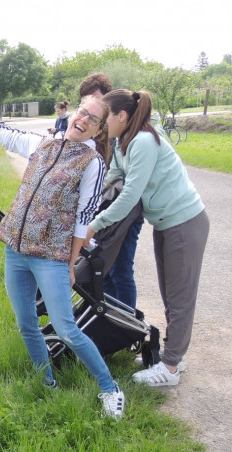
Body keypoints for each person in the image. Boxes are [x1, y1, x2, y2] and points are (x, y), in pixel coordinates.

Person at [0, 89, 126, 419]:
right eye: (82, 112)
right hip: (17, 250)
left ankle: (110, 388)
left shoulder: (93, 163)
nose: (84, 120)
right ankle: (46, 382)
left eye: (93, 119)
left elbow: (84, 218)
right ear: (74, 112)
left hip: (51, 257)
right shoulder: (40, 144)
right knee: (27, 323)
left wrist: (71, 264)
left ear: (100, 130)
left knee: (66, 328)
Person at [87, 89, 209, 387]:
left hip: (185, 222)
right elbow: (113, 178)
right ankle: (173, 356)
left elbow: (130, 195)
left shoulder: (143, 141)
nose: (103, 124)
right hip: (166, 224)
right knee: (170, 293)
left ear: (122, 116)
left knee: (180, 298)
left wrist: (94, 226)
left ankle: (169, 368)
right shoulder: (121, 142)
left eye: (106, 117)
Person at [78, 73, 141, 310]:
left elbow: (127, 183)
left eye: (97, 98)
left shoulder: (124, 130)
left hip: (125, 210)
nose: (93, 106)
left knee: (121, 270)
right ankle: (106, 323)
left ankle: (125, 328)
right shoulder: (94, 127)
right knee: (101, 269)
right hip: (105, 207)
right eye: (86, 102)